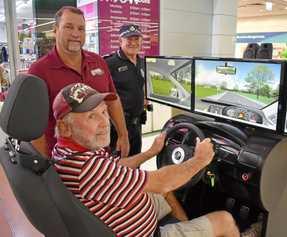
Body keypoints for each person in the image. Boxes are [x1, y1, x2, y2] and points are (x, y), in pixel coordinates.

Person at [52, 82, 261, 237]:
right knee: (224, 219)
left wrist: (151, 153)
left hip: (125, 215)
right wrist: (199, 160)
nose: (105, 123)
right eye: (91, 116)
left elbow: (116, 167)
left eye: (104, 112)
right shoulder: (88, 168)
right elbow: (161, 182)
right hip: (144, 233)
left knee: (164, 189)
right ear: (64, 127)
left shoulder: (66, 152)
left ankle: (185, 225)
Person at [28, 6, 129, 158]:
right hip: (63, 162)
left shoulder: (98, 62)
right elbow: (35, 128)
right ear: (55, 30)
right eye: (69, 27)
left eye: (81, 29)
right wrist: (44, 168)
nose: (76, 34)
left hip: (100, 156)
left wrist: (123, 134)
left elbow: (113, 101)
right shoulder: (39, 70)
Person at [104, 23, 147, 156]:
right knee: (119, 164)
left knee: (135, 160)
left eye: (136, 39)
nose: (133, 43)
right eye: (129, 39)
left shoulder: (142, 62)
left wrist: (142, 99)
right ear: (120, 40)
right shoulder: (109, 63)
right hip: (117, 126)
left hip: (137, 124)